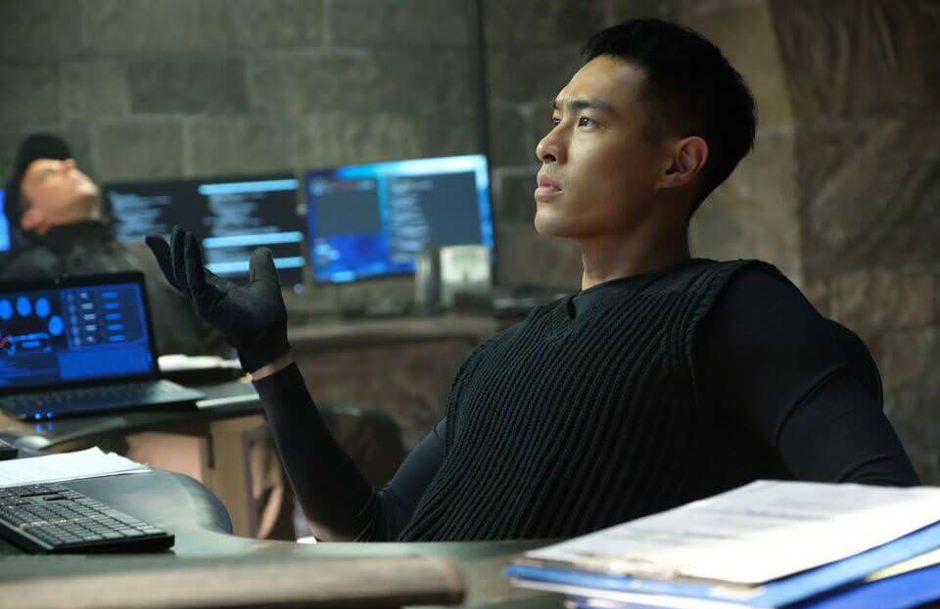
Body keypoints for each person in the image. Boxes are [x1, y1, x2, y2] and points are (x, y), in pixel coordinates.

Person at [147, 18, 918, 543]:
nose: (548, 144)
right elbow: (366, 534)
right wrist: (270, 361)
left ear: (678, 163)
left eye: (587, 121)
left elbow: (887, 522)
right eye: (556, 117)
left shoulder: (735, 308)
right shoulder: (500, 357)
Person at [1, 133, 224, 357]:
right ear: (31, 217)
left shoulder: (153, 255)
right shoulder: (25, 276)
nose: (69, 165)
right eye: (48, 174)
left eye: (69, 164)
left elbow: (215, 335)